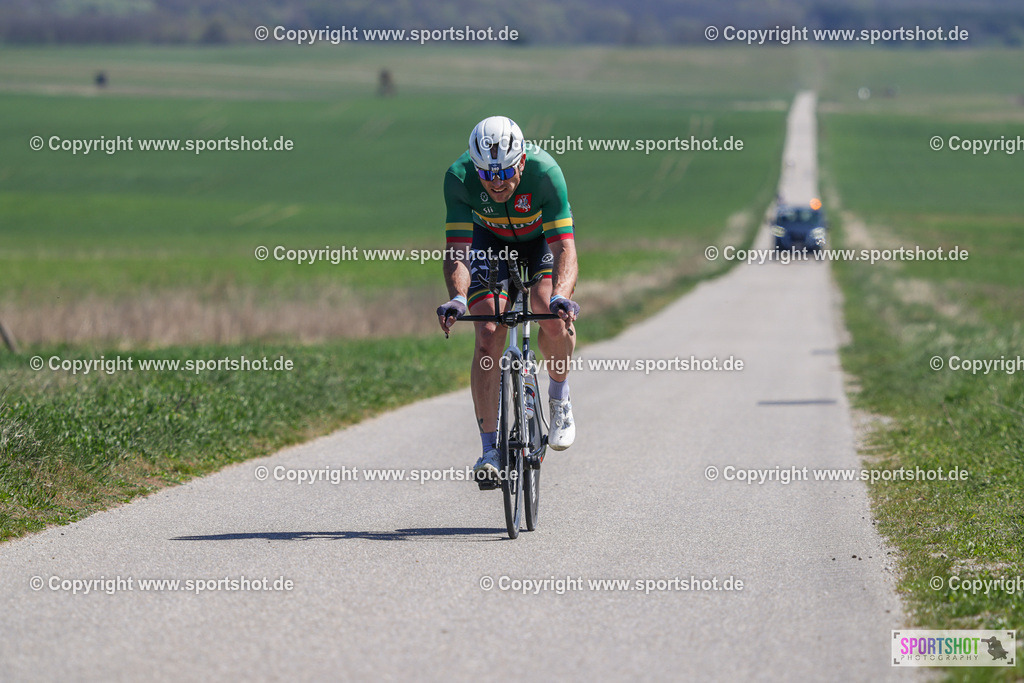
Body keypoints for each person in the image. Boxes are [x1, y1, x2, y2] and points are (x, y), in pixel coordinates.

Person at [436, 115, 580, 481]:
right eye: (487, 174)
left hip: (539, 241)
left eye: (504, 173)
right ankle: (489, 452)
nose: (497, 183)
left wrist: (563, 295)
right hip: (489, 242)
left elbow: (565, 247)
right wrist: (457, 299)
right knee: (487, 330)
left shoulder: (546, 173)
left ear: (521, 162)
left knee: (547, 310)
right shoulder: (459, 177)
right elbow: (457, 250)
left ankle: (559, 397)